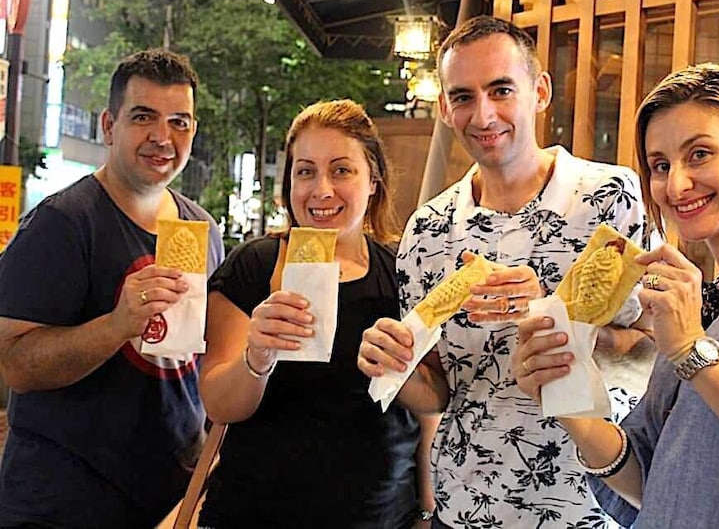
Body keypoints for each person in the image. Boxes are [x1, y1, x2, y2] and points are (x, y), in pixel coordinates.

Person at [513, 63, 719, 527]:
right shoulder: (703, 297)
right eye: (661, 165)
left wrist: (692, 347)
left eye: (700, 154)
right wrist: (564, 396)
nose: (676, 185)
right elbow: (649, 481)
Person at [357, 16, 654, 528]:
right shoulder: (429, 231)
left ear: (539, 91)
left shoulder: (609, 198)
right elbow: (441, 390)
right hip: (465, 506)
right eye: (464, 97)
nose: (484, 114)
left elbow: (653, 350)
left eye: (501, 90)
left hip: (589, 506)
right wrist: (396, 365)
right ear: (446, 108)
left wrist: (557, 316)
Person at [0, 49, 224, 527]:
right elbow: (14, 364)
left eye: (179, 122)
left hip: (167, 495)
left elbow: (200, 364)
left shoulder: (202, 229)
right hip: (63, 501)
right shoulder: (61, 223)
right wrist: (118, 325)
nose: (162, 137)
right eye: (143, 117)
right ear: (108, 126)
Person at [197, 99, 436, 528]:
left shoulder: (404, 271)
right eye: (305, 171)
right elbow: (218, 403)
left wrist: (427, 506)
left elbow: (428, 410)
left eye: (341, 170)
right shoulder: (255, 266)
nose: (322, 189)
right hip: (255, 513)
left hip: (380, 515)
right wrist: (257, 356)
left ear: (373, 181)